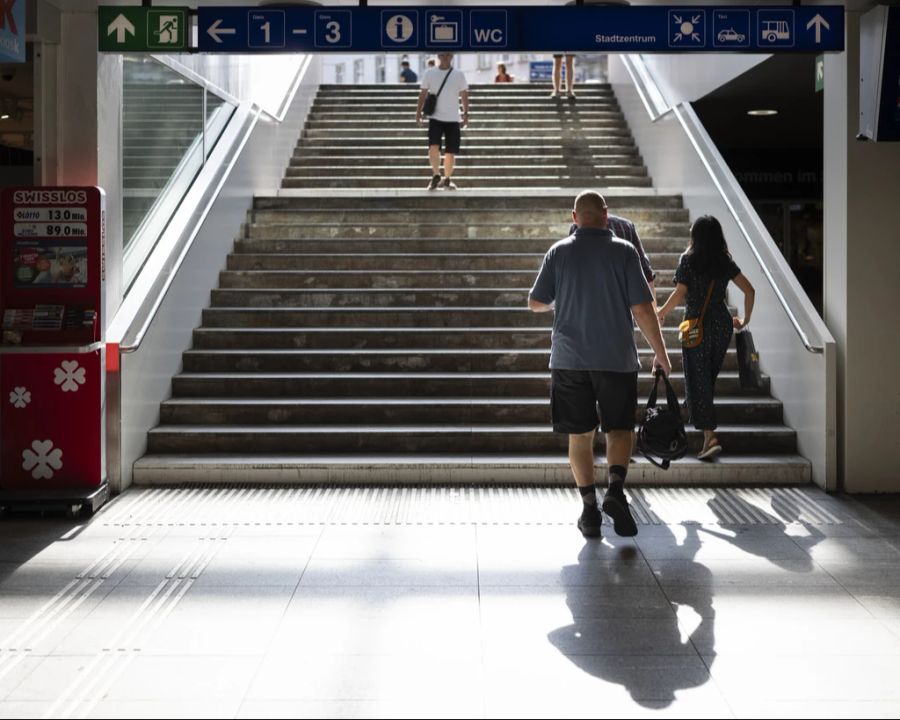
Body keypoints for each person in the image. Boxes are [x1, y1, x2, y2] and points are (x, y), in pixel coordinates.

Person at [528, 191, 672, 539]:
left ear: (574, 217)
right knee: (619, 429)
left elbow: (535, 302)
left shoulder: (558, 252)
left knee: (579, 434)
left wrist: (560, 302)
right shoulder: (624, 251)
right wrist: (662, 354)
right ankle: (616, 491)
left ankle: (589, 510)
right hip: (616, 358)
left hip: (569, 360)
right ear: (606, 215)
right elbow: (643, 309)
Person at [657, 215, 755, 459]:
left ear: (696, 236)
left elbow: (680, 293)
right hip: (722, 325)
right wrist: (744, 320)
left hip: (695, 328)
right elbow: (750, 290)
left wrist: (661, 312)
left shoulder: (688, 261)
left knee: (698, 379)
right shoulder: (724, 261)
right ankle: (700, 422)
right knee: (705, 380)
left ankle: (710, 436)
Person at [568, 212, 657, 312]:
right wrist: (653, 311)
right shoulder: (626, 226)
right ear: (605, 211)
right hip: (618, 309)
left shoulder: (577, 227)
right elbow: (645, 272)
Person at [416, 53, 469, 191]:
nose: (445, 57)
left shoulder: (459, 74)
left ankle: (447, 179)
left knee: (450, 151)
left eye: (448, 54)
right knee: (433, 146)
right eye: (442, 54)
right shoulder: (430, 73)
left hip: (453, 118)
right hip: (435, 117)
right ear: (438, 56)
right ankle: (435, 175)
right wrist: (418, 112)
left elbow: (464, 94)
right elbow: (422, 93)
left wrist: (466, 113)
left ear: (452, 56)